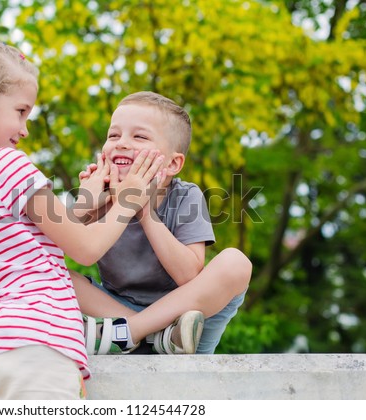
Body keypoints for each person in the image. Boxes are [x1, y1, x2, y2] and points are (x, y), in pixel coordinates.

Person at [0, 38, 165, 400]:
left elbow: (27, 232)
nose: (25, 128)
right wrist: (129, 198)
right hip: (33, 347)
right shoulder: (9, 165)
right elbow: (85, 249)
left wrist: (86, 200)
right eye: (21, 111)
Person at [71, 91, 252, 355]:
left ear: (173, 163)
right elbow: (54, 248)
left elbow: (188, 275)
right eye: (113, 135)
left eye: (139, 136)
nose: (121, 143)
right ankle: (151, 335)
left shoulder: (185, 195)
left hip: (185, 324)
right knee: (48, 271)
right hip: (117, 310)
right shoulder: (101, 193)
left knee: (236, 262)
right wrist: (84, 205)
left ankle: (137, 332)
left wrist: (143, 210)